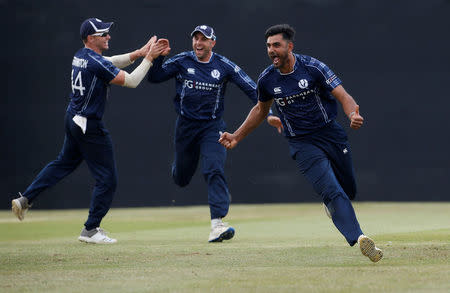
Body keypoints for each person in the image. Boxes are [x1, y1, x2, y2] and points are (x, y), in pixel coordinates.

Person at [219, 24, 383, 262]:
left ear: (289, 46)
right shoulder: (267, 79)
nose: (272, 50)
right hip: (301, 143)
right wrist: (236, 135)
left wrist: (352, 115)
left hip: (330, 134)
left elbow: (343, 95)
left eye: (277, 45)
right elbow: (259, 110)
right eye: (268, 46)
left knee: (348, 190)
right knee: (332, 190)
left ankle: (334, 205)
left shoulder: (313, 68)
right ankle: (359, 237)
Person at [11, 17, 169, 244]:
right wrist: (150, 58)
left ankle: (26, 199)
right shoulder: (95, 61)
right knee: (108, 179)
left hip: (72, 118)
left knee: (63, 163)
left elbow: (109, 62)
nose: (108, 36)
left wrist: (139, 53)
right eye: (103, 34)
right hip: (88, 125)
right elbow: (132, 81)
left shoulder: (81, 55)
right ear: (91, 38)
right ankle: (91, 229)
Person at [147, 25, 281, 242]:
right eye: (196, 39)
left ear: (213, 43)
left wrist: (269, 114)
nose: (199, 43)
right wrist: (158, 58)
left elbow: (251, 88)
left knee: (213, 168)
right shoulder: (182, 60)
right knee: (181, 178)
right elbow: (154, 77)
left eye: (204, 39)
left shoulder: (223, 65)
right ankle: (182, 171)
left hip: (213, 127)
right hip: (186, 127)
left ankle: (217, 224)